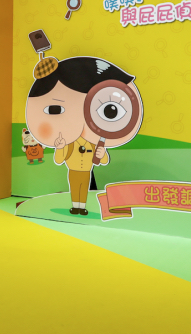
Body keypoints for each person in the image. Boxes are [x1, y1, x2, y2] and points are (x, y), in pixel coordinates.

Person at [24, 53, 143, 216]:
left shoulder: (94, 142)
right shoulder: (70, 142)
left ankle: (82, 205)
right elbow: (59, 159)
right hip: (73, 170)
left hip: (86, 170)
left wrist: (101, 153)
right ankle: (76, 205)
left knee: (84, 185)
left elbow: (103, 159)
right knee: (75, 187)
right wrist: (60, 147)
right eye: (55, 109)